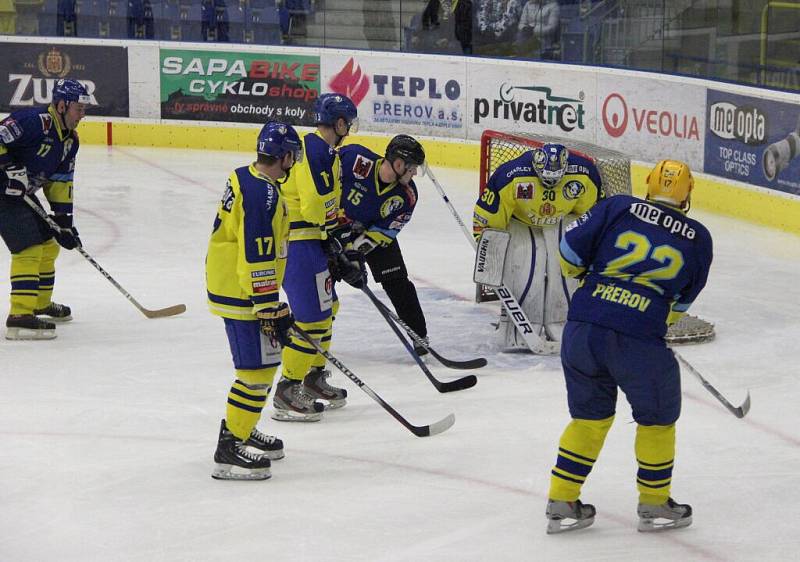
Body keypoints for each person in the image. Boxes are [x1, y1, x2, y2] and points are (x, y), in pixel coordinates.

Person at [545, 160, 713, 533]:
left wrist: (590, 283)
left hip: (583, 328)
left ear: (650, 184)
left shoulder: (617, 206)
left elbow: (569, 254)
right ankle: (653, 503)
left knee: (589, 418)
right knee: (657, 419)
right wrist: (647, 319)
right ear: (688, 193)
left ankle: (562, 498)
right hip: (638, 339)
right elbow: (680, 305)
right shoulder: (699, 237)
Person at [206, 121, 303, 480]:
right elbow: (256, 251)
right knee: (255, 371)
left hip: (238, 286)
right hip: (242, 292)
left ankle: (243, 430)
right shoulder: (263, 194)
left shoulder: (249, 178)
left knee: (264, 364)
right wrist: (267, 305)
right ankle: (229, 448)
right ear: (286, 156)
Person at [274, 93, 363, 422]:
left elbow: (329, 206)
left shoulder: (329, 153)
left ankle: (312, 377)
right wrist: (334, 236)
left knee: (329, 309)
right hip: (297, 242)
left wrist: (338, 239)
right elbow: (314, 206)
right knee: (311, 318)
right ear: (339, 123)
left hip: (312, 240)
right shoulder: (313, 148)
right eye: (348, 122)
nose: (350, 128)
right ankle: (288, 389)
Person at [472, 142, 603, 352]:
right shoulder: (511, 175)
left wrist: (590, 246)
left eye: (555, 179)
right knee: (525, 270)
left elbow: (592, 214)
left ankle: (564, 326)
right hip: (520, 222)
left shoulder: (585, 174)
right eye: (545, 178)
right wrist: (488, 246)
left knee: (567, 271)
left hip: (562, 219)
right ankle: (518, 329)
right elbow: (488, 214)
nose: (550, 183)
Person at [0, 78, 89, 340]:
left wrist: (65, 223)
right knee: (29, 247)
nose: (82, 115)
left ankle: (39, 304)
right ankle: (20, 316)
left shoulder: (70, 141)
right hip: (3, 193)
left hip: (18, 195)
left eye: (84, 110)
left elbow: (61, 183)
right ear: (61, 105)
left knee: (49, 244)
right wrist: (7, 169)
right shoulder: (34, 121)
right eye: (78, 109)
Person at [338, 135, 429, 354]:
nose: (415, 173)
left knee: (397, 281)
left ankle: (419, 335)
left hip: (368, 234)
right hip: (333, 229)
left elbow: (383, 233)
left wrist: (354, 253)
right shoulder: (353, 159)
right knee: (321, 277)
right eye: (412, 168)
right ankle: (313, 331)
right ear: (399, 164)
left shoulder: (407, 196)